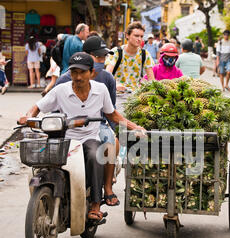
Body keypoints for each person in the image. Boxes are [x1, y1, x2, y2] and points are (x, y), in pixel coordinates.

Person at [18, 52, 144, 222]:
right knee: (45, 162)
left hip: (88, 138)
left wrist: (136, 127)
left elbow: (113, 115)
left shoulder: (101, 90)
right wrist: (27, 117)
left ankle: (95, 204)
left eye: (82, 72)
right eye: (74, 72)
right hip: (65, 138)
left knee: (94, 154)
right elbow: (37, 107)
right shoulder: (61, 90)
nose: (77, 77)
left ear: (92, 73)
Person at [55, 36, 120, 206]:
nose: (102, 61)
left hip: (97, 124)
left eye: (104, 57)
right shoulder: (64, 80)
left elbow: (110, 111)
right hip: (68, 126)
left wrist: (114, 130)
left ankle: (107, 188)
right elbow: (53, 108)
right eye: (98, 57)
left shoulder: (107, 79)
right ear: (86, 56)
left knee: (111, 143)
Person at [105, 21, 155, 111]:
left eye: (141, 36)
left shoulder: (145, 54)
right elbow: (107, 74)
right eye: (136, 36)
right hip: (118, 95)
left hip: (136, 98)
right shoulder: (116, 52)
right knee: (122, 124)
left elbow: (152, 80)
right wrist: (115, 84)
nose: (139, 39)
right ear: (127, 35)